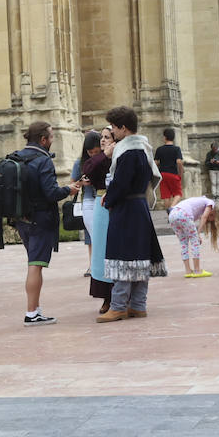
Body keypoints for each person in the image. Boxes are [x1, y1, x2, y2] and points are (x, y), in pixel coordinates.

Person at [99, 106, 167, 322]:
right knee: (139, 255)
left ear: (124, 128)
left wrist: (108, 199)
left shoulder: (128, 152)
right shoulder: (143, 149)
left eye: (115, 128)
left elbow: (121, 184)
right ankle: (138, 304)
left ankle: (118, 306)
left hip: (126, 209)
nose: (113, 133)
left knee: (123, 255)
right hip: (139, 207)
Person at [11, 121, 80, 326]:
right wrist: (69, 190)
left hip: (22, 219)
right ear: (43, 139)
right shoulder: (43, 160)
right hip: (40, 220)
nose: (52, 140)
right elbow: (51, 193)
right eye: (51, 137)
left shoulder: (18, 156)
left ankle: (36, 309)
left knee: (34, 264)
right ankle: (31, 313)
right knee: (35, 265)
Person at [84, 127, 115, 314]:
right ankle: (106, 297)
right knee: (101, 251)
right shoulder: (100, 157)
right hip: (102, 204)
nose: (102, 140)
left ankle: (124, 295)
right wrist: (104, 155)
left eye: (107, 137)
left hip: (119, 205)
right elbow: (88, 168)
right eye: (101, 137)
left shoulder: (122, 155)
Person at [167, 196, 219, 277]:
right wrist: (198, 234)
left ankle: (188, 271)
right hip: (183, 214)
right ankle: (197, 270)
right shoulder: (211, 203)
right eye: (213, 218)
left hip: (172, 215)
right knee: (195, 242)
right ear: (214, 213)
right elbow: (204, 217)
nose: (210, 220)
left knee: (183, 243)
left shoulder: (200, 203)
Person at [74, 131, 101, 276]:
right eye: (90, 152)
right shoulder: (80, 163)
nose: (93, 155)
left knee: (100, 236)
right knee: (93, 236)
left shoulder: (105, 159)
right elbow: (73, 184)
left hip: (103, 199)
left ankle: (97, 265)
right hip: (89, 200)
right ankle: (94, 266)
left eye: (96, 152)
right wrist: (81, 182)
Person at [153, 127, 184, 209]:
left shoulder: (159, 149)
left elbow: (155, 163)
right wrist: (180, 173)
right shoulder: (176, 149)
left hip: (162, 174)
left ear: (165, 137)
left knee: (166, 196)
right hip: (173, 174)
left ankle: (169, 215)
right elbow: (178, 162)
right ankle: (172, 207)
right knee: (178, 194)